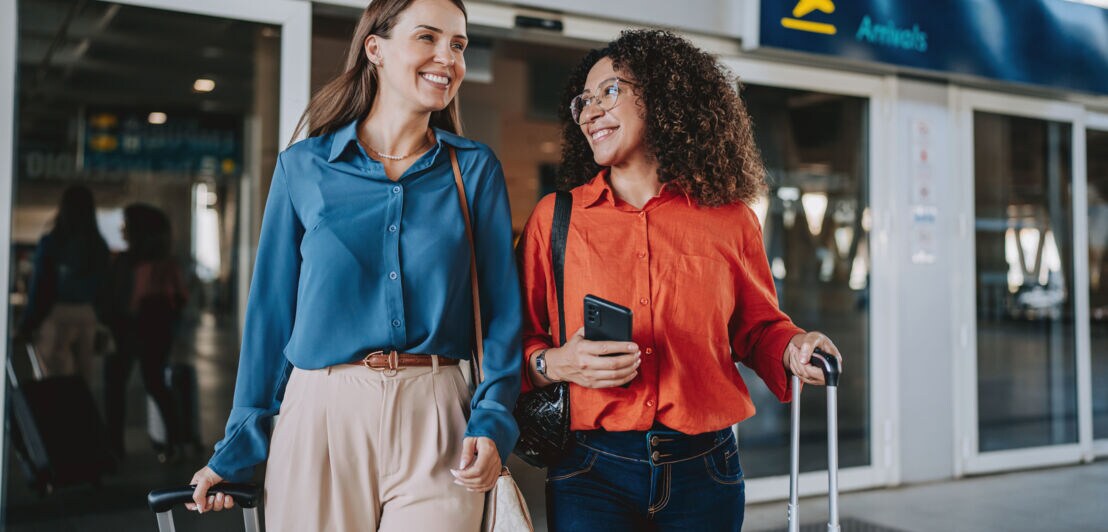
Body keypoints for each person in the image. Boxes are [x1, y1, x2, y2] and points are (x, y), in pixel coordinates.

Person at [186, 0, 522, 530]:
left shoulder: (474, 170)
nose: (448, 57)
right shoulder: (303, 168)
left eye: (458, 44)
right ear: (375, 49)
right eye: (428, 38)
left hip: (437, 417)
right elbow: (271, 316)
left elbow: (502, 311)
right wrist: (237, 447)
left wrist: (494, 419)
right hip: (320, 411)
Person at [516, 29, 843, 531]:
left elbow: (756, 329)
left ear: (663, 97)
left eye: (610, 91)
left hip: (705, 469)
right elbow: (513, 341)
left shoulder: (729, 219)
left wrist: (794, 346)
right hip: (590, 469)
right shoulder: (555, 219)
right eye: (583, 100)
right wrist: (557, 362)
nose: (590, 111)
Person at [101, 203, 188, 461]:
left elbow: (119, 300)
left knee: (115, 387)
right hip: (156, 328)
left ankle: (115, 447)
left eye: (126, 224)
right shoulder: (166, 263)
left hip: (127, 328)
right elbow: (181, 296)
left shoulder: (124, 262)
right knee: (155, 383)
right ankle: (175, 442)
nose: (122, 228)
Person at [19, 185, 110, 382]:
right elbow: (104, 288)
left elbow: (41, 288)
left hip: (57, 315)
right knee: (83, 383)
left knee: (55, 382)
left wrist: (27, 324)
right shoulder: (98, 246)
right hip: (87, 315)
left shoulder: (53, 243)